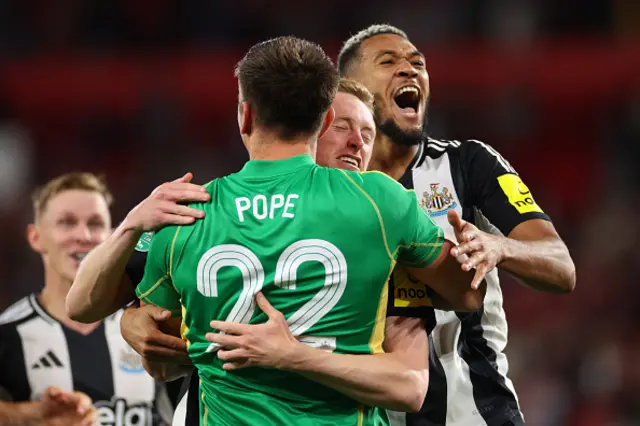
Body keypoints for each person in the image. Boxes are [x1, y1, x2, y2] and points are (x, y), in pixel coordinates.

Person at [71, 36, 486, 425]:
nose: (357, 144)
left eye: (367, 134)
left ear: (245, 114)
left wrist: (131, 245)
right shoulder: (384, 206)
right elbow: (466, 293)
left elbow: (91, 311)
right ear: (323, 122)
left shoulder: (188, 215)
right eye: (345, 128)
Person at [335, 24, 576, 426]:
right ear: (349, 87)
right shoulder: (327, 185)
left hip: (472, 410)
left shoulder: (468, 164)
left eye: (417, 63)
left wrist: (501, 248)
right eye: (389, 61)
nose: (410, 71)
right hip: (362, 409)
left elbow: (562, 266)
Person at [0, 172, 173, 426]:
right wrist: (32, 415)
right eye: (67, 223)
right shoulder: (8, 333)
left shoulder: (148, 322)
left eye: (95, 224)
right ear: (35, 237)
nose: (84, 236)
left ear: (113, 234)